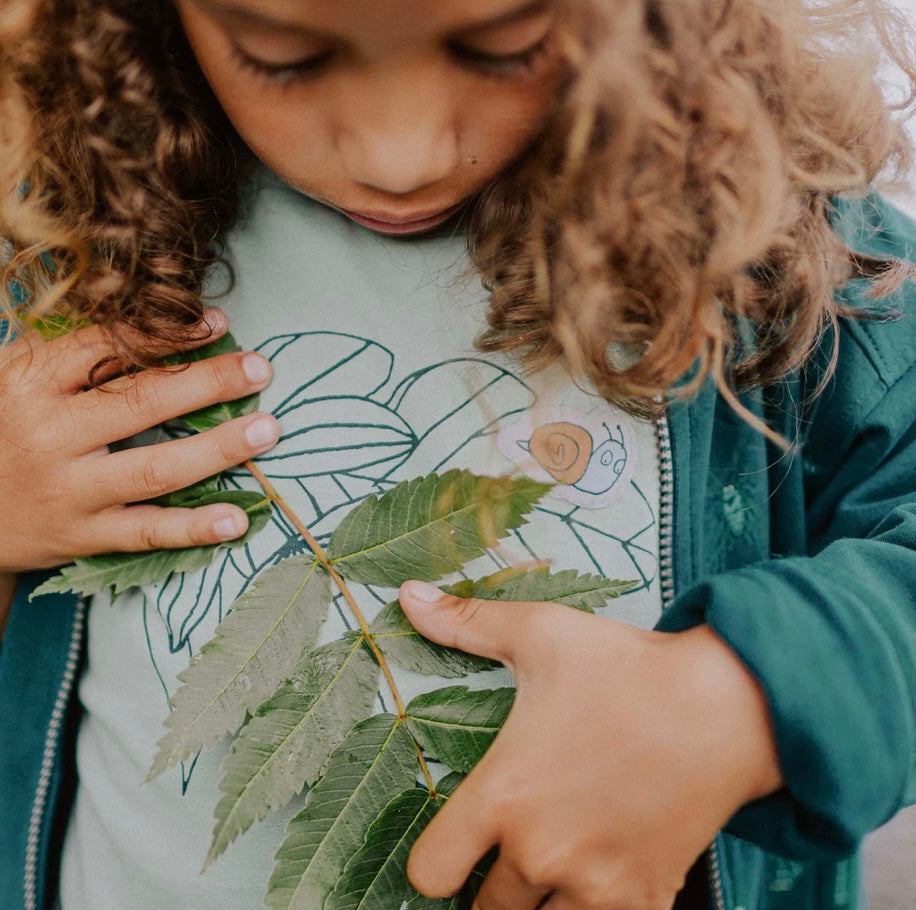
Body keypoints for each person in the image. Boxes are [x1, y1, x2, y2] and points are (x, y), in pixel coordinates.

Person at [0, 1, 914, 908]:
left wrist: (743, 700)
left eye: (501, 48)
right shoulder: (46, 220)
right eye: (281, 57)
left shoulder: (780, 232)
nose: (401, 154)